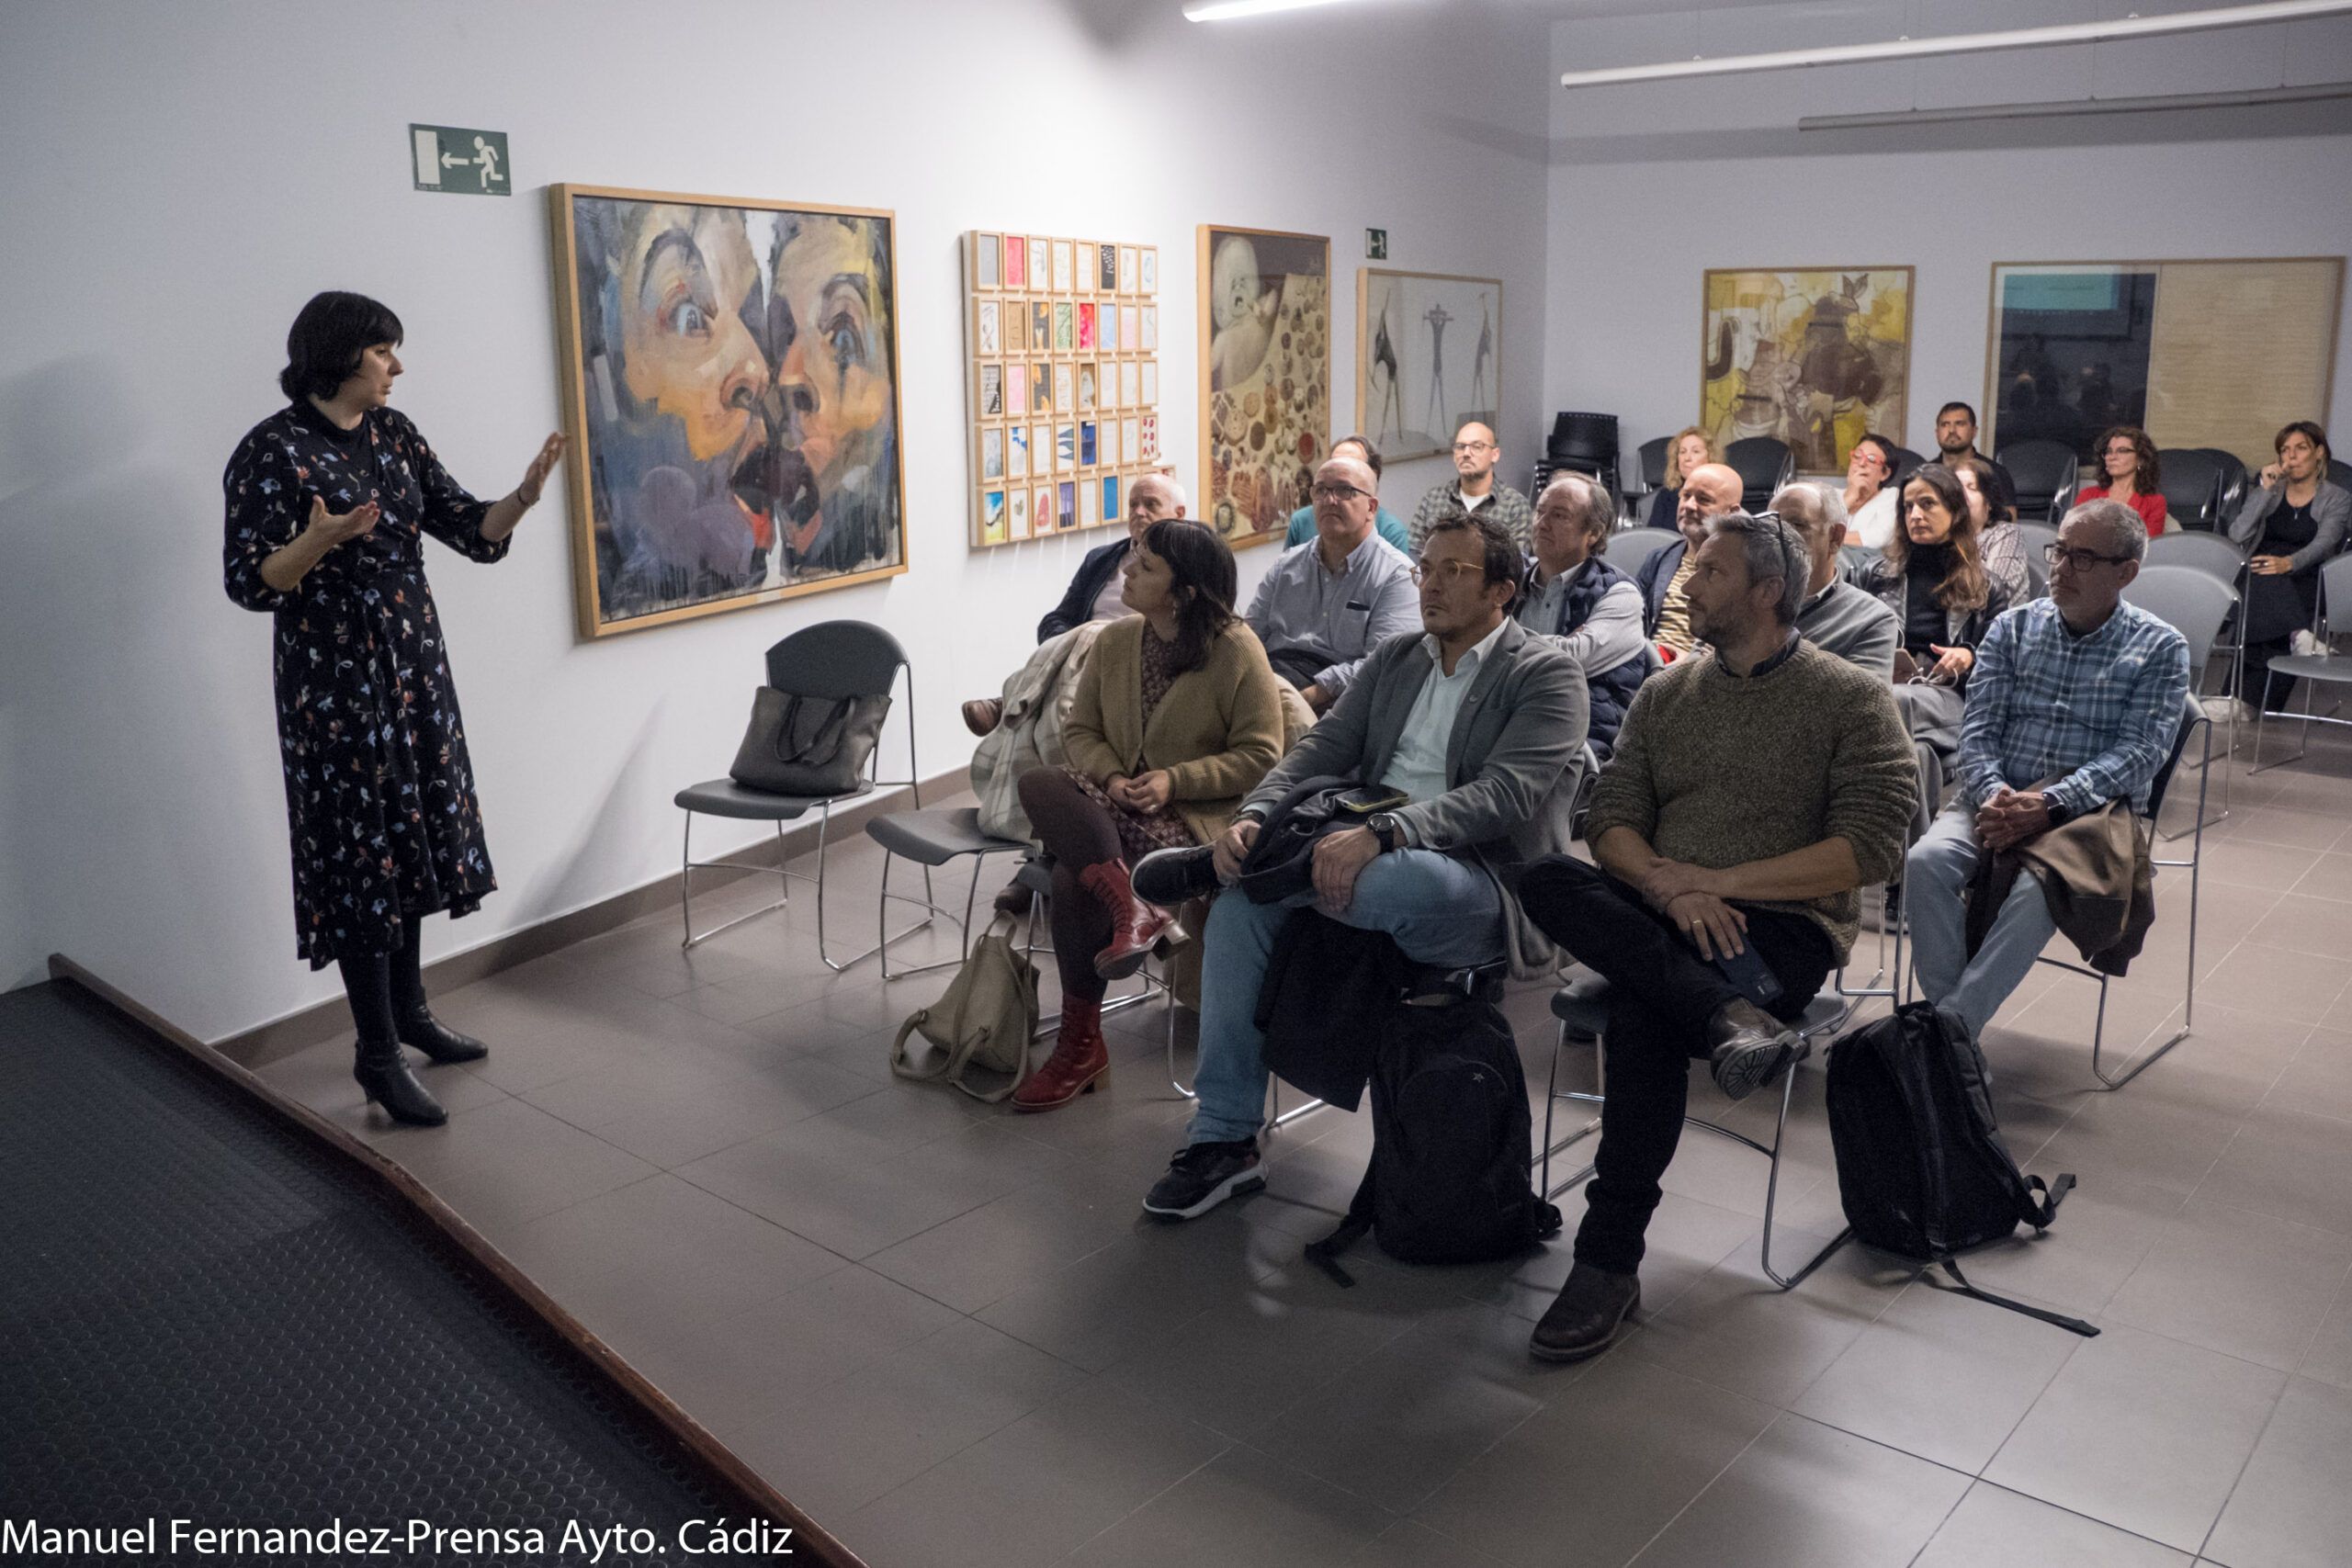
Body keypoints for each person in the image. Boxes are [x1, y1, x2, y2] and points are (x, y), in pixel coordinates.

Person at [1515, 512, 1913, 1361]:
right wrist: (1667, 883)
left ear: (1769, 592)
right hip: (1665, 909)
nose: (1687, 583)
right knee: (1547, 875)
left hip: (1783, 930)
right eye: (1693, 568)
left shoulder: (1850, 695)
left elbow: (1873, 845)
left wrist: (1715, 883)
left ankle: (1606, 1262)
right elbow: (1610, 817)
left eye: (1712, 572)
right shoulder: (1670, 690)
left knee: (1646, 1013)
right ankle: (1729, 1017)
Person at [1133, 516, 1589, 1220]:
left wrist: (1388, 830)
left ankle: (1222, 869)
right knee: (1238, 918)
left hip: (1477, 879)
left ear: (1501, 589)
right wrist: (1254, 815)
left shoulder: (1546, 672)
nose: (1429, 584)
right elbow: (1318, 753)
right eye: (1424, 568)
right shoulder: (1399, 659)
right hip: (1349, 846)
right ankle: (1223, 1140)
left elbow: (1505, 796)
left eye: (1452, 572)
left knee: (1378, 877)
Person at [222, 291, 566, 1128]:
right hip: (332, 685)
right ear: (341, 354)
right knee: (359, 856)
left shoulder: (395, 434)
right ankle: (375, 1054)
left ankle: (411, 1014)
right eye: (384, 351)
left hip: (412, 670)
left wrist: (522, 495)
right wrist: (320, 539)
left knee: (411, 836)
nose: (396, 367)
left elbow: (469, 529)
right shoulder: (271, 451)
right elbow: (249, 581)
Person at [1011, 523, 1284, 1110]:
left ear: (1185, 591)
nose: (1126, 573)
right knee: (1037, 781)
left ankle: (1081, 1045)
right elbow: (1080, 730)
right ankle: (1132, 907)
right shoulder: (1115, 641)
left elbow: (1264, 753)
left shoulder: (1236, 649)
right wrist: (1113, 777)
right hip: (1115, 805)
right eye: (1132, 560)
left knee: (1068, 878)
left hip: (1191, 822)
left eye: (1146, 566)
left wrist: (1173, 779)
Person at [1907, 501, 2189, 1043]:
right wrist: (1995, 797)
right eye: (2059, 551)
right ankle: (1954, 1040)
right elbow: (1979, 728)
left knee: (2041, 889)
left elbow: (2140, 752)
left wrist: (2051, 803)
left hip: (2084, 816)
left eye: (2082, 558)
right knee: (1926, 862)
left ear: (2126, 572)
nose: (2059, 568)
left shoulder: (2159, 647)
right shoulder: (2013, 629)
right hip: (1993, 801)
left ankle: (1948, 1034)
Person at [1855, 464, 2012, 788]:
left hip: (1948, 695)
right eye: (1908, 507)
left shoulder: (1987, 586)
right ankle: (1910, 840)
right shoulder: (1874, 575)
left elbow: (2005, 662)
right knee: (1920, 754)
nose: (1915, 514)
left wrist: (1969, 656)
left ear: (1955, 512)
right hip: (1886, 688)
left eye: (1927, 504)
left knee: (1895, 700)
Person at [1244, 455, 1420, 715]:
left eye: (1344, 491)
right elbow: (1250, 636)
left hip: (1339, 699)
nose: (1329, 500)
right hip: (1273, 679)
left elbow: (1383, 665)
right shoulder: (1286, 566)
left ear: (1371, 508)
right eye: (1320, 491)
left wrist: (1311, 695)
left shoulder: (1397, 575)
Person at [1518, 471, 1648, 757]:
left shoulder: (1621, 594)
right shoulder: (1510, 582)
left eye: (1560, 516)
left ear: (1594, 533)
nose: (1542, 523)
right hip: (1510, 720)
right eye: (1540, 511)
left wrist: (1497, 642)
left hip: (1581, 736)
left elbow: (1569, 660)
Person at [2228, 421, 2350, 714]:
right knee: (2262, 575)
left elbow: (2325, 543)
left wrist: (2288, 563)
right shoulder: (2270, 490)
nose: (2291, 457)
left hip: (2308, 574)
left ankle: (2237, 701)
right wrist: (2264, 491)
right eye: (2284, 450)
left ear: (2319, 453)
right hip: (2262, 573)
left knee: (2264, 588)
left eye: (2300, 448)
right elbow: (2237, 535)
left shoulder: (2338, 497)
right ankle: (2299, 635)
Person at [1033, 473, 1187, 648]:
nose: (1138, 512)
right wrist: (1071, 647)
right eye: (1133, 505)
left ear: (1179, 514)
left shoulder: (1189, 565)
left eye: (1151, 504)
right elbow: (1057, 619)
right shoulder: (1100, 559)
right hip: (1086, 654)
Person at [1773, 481, 1900, 678]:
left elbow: (1866, 703)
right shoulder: (1745, 600)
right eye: (1771, 525)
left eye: (1797, 525)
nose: (1778, 536)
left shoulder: (1869, 620)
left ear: (1835, 538)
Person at [1635, 462, 1743, 657]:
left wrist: (1689, 665)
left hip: (1702, 673)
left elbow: (1737, 643)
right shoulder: (1660, 558)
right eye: (1686, 495)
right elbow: (1632, 622)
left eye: (1704, 499)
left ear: (1732, 513)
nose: (1689, 506)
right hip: (1647, 661)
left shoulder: (1743, 571)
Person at [1409, 421, 1532, 553]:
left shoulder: (1515, 505)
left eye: (1477, 446)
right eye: (1460, 447)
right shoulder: (1433, 499)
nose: (1466, 453)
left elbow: (1517, 564)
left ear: (1495, 454)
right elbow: (1414, 554)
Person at [1283, 434, 1408, 554]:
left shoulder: (1391, 532)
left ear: (1372, 475)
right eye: (1334, 464)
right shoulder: (1301, 522)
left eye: (1349, 466)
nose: (1330, 500)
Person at [1952, 453, 2030, 604]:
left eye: (1971, 488)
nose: (1961, 494)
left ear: (1988, 503)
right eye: (1956, 488)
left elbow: (1992, 594)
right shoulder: (1945, 536)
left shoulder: (2007, 534)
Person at [2078, 425, 2168, 536]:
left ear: (2140, 459)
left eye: (2122, 451)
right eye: (2109, 451)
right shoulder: (2087, 495)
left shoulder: (2155, 502)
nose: (2112, 457)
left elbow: (2148, 546)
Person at [1933, 401, 2018, 513]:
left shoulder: (1995, 473)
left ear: (1974, 431)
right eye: (1945, 424)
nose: (1951, 430)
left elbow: (2009, 523)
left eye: (1960, 424)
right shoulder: (1926, 473)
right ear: (1937, 433)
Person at [1645, 426, 1719, 531]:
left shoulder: (1719, 495)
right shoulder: (1665, 496)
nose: (1687, 458)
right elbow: (1653, 538)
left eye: (1695, 451)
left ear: (1710, 457)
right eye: (1683, 452)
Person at [1840, 433, 1902, 549]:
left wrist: (1827, 539)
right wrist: (1850, 497)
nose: (1861, 463)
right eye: (1857, 456)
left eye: (1872, 460)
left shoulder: (1893, 497)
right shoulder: (1831, 495)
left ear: (1885, 474)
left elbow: (1880, 537)